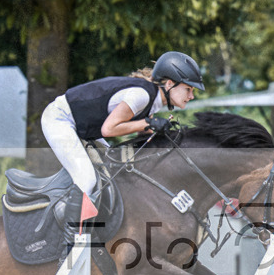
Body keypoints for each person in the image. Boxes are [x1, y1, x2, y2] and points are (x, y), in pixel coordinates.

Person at [40, 50, 204, 232]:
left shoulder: (153, 99)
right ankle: (70, 241)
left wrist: (157, 129)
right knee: (86, 179)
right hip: (59, 119)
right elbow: (109, 129)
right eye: (188, 89)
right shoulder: (142, 95)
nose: (191, 96)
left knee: (112, 166)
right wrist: (148, 123)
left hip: (81, 126)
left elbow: (136, 128)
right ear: (170, 84)